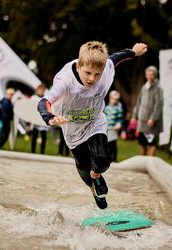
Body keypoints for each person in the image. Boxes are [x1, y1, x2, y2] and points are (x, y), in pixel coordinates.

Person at [37, 41, 147, 209]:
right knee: (84, 171)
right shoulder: (65, 80)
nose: (92, 79)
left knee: (103, 161)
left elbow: (115, 58)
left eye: (97, 74)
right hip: (72, 129)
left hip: (94, 121)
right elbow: (44, 102)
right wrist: (49, 117)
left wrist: (133, 52)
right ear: (80, 65)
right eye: (88, 73)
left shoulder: (106, 68)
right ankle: (93, 187)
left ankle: (96, 176)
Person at [131, 66, 163, 156]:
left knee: (152, 144)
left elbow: (159, 105)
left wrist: (153, 118)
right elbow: (138, 102)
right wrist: (134, 116)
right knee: (142, 143)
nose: (149, 76)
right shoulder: (144, 87)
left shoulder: (158, 88)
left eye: (151, 74)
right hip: (142, 120)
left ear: (155, 75)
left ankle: (150, 164)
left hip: (151, 122)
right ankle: (142, 165)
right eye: (148, 74)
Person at [104, 90, 123, 162]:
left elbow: (120, 118)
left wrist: (119, 124)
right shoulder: (106, 108)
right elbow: (104, 117)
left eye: (116, 99)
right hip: (107, 129)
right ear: (110, 98)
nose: (114, 101)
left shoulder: (118, 109)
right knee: (107, 145)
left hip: (113, 129)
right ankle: (107, 159)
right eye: (113, 99)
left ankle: (113, 160)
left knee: (113, 145)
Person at [31, 84, 48, 154]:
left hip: (43, 121)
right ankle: (33, 151)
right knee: (34, 137)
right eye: (40, 90)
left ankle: (42, 152)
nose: (41, 91)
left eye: (42, 90)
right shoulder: (33, 98)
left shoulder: (46, 99)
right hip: (35, 121)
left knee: (44, 137)